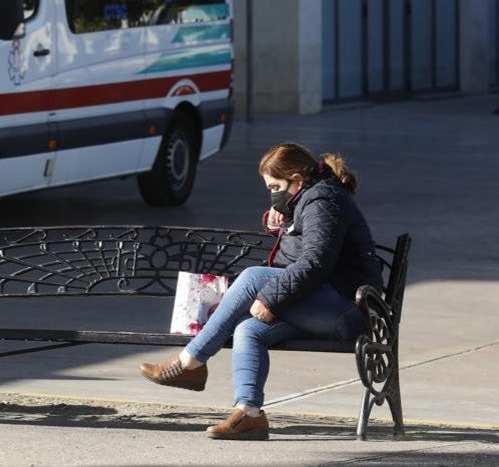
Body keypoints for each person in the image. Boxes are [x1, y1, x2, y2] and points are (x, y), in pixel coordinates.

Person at [138, 143, 384, 440]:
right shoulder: (308, 196)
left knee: (253, 277)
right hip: (323, 303)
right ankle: (250, 414)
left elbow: (316, 262)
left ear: (297, 178)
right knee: (248, 329)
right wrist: (280, 219)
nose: (273, 194)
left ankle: (191, 361)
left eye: (276, 186)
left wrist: (271, 298)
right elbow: (302, 250)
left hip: (346, 310)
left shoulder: (324, 200)